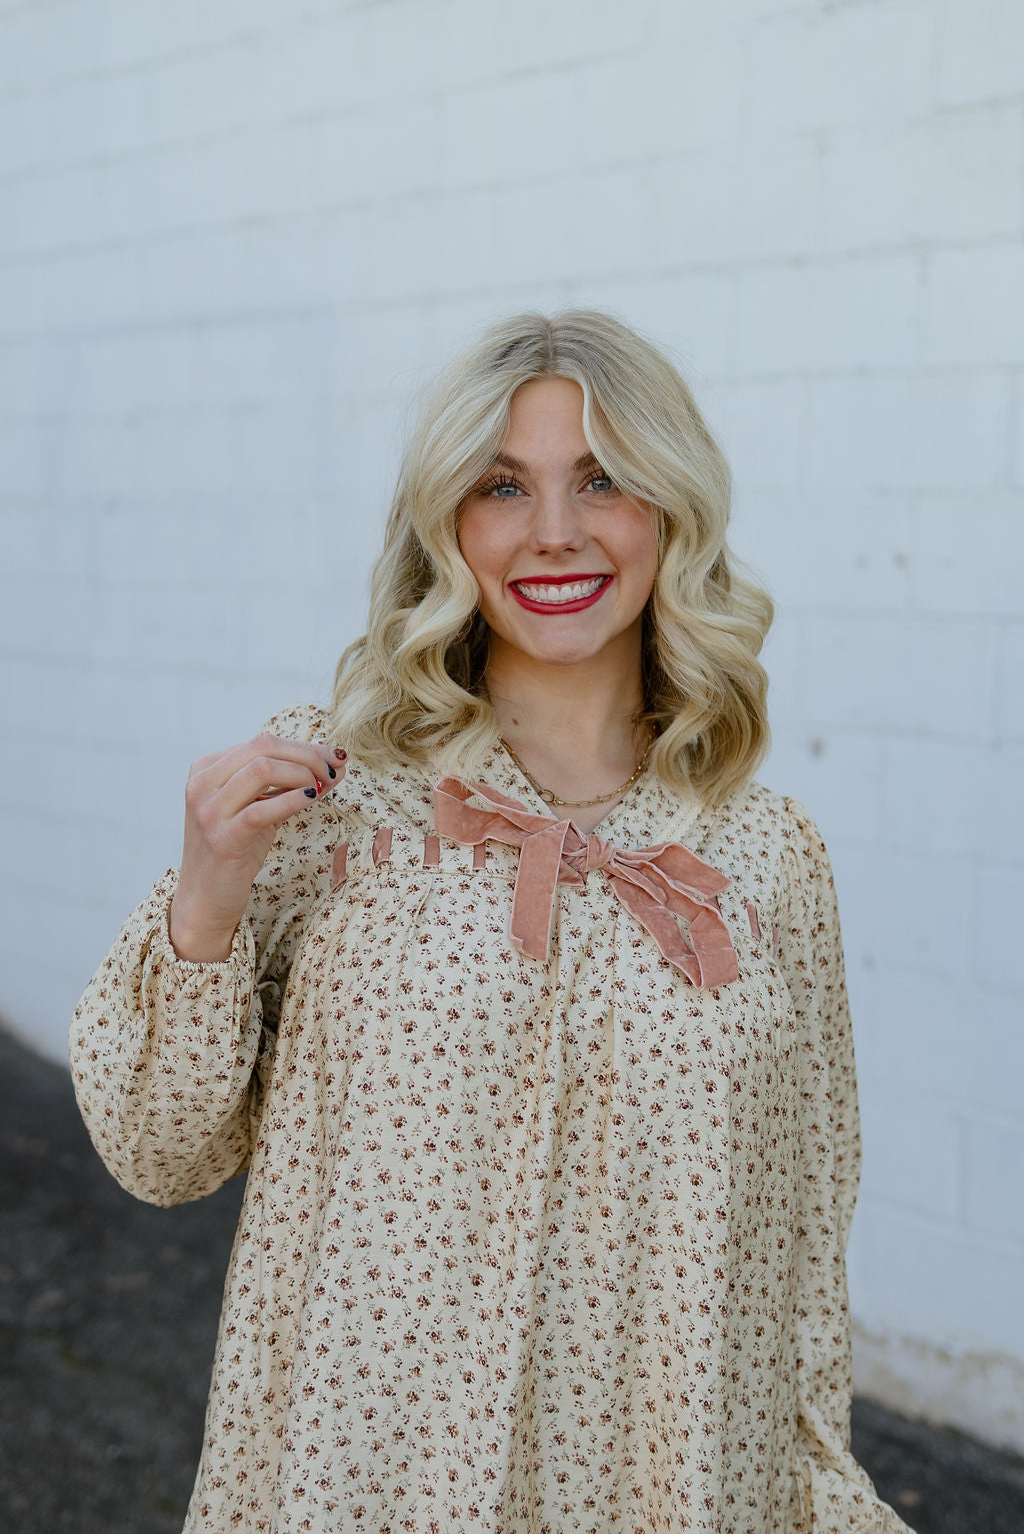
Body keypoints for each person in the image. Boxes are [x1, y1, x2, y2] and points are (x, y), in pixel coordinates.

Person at [69, 310, 911, 1534]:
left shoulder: (766, 856)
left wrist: (819, 1489)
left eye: (604, 479)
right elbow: (160, 1151)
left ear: (669, 510)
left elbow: (796, 1255)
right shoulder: (330, 794)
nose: (554, 531)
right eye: (503, 485)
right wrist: (207, 894)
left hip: (664, 1487)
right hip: (369, 1487)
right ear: (447, 523)